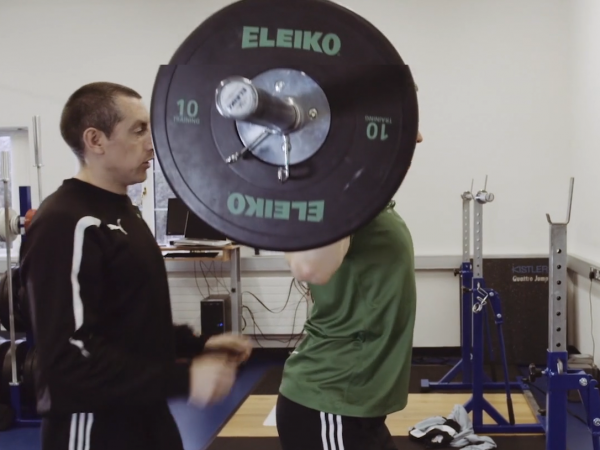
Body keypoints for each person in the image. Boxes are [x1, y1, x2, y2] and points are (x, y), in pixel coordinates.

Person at [18, 81, 252, 450]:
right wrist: (185, 379)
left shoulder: (123, 211)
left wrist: (198, 344)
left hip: (144, 412)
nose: (151, 143)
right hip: (93, 423)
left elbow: (129, 318)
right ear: (95, 140)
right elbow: (67, 359)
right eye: (138, 130)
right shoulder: (66, 222)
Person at [276, 117, 424, 448]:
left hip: (357, 406)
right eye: (408, 119)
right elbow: (309, 266)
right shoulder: (345, 193)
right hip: (330, 402)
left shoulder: (370, 198)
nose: (418, 136)